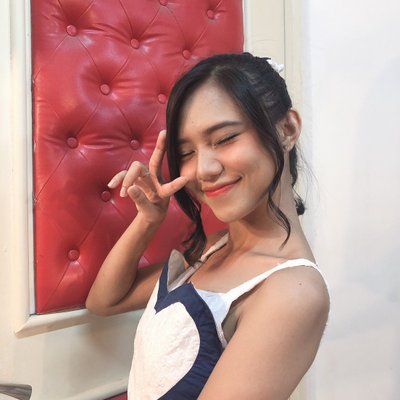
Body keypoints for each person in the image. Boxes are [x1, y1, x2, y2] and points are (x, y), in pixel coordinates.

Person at [86, 52, 330, 400]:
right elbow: (105, 301)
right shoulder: (212, 248)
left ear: (287, 130)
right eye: (187, 152)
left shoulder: (292, 291)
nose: (204, 169)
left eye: (225, 138)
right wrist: (148, 220)